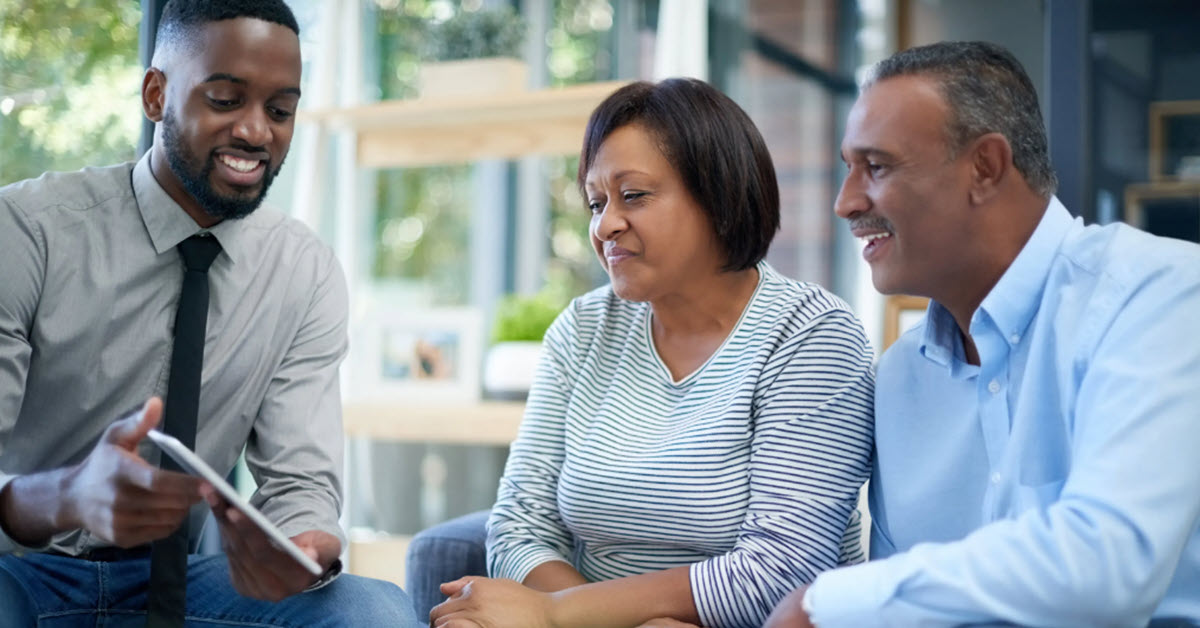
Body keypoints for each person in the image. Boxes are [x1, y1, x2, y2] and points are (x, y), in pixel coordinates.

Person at [0, 1, 419, 625]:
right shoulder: (29, 232)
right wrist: (70, 495)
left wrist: (303, 547)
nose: (256, 132)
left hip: (183, 581)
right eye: (226, 100)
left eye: (280, 110)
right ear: (155, 95)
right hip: (22, 570)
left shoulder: (302, 272)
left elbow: (300, 485)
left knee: (371, 611)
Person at [764, 41, 1200, 627]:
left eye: (877, 166)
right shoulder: (898, 377)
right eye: (849, 167)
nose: (846, 202)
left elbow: (1108, 569)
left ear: (985, 168)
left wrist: (824, 603)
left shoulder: (1159, 291)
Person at [426, 78, 875, 628]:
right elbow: (522, 524)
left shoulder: (812, 336)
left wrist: (555, 615)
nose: (604, 225)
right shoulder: (583, 328)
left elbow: (780, 574)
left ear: (719, 193)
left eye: (633, 195)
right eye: (596, 202)